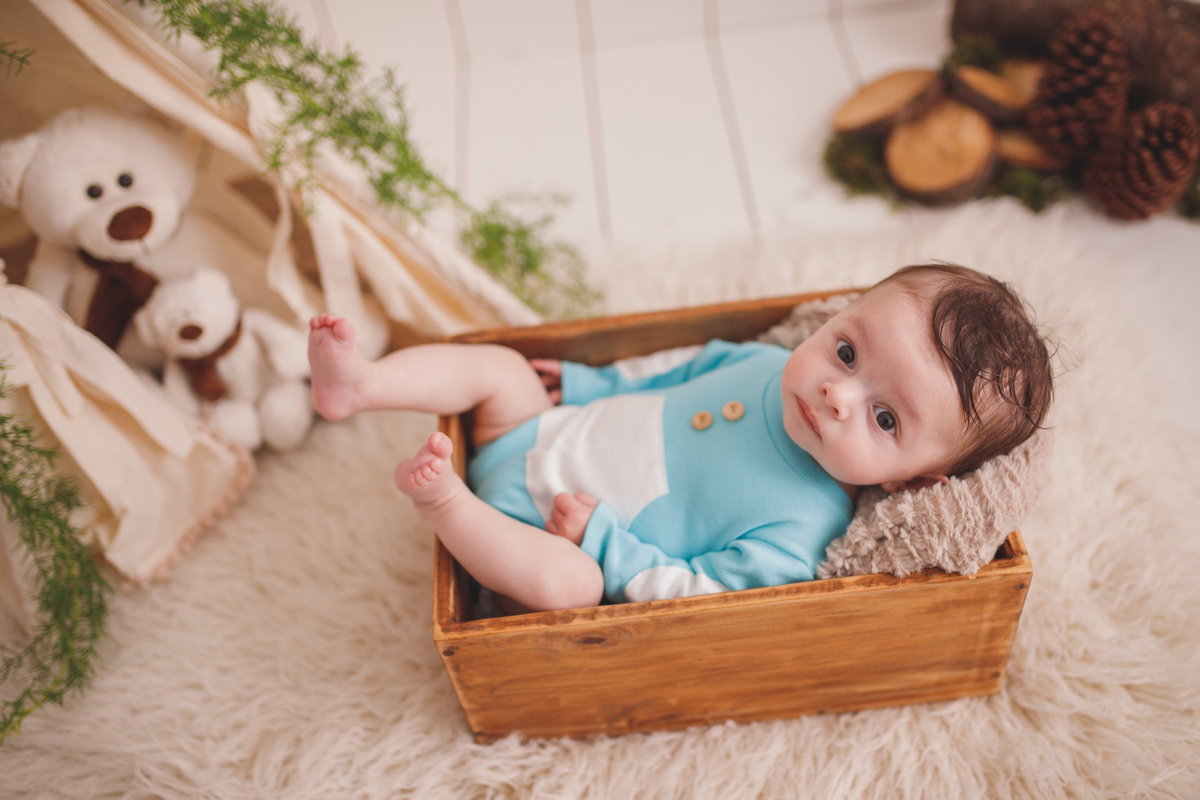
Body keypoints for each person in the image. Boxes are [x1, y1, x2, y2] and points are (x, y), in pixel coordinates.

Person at [307, 263, 1053, 613]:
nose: (836, 393)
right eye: (847, 352)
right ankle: (362, 385)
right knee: (501, 369)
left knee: (570, 590)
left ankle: (445, 503)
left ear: (913, 483)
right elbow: (675, 368)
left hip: (536, 536)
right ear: (836, 317)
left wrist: (603, 542)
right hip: (536, 431)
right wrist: (590, 384)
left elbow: (696, 596)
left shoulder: (803, 531)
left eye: (885, 419)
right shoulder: (766, 366)